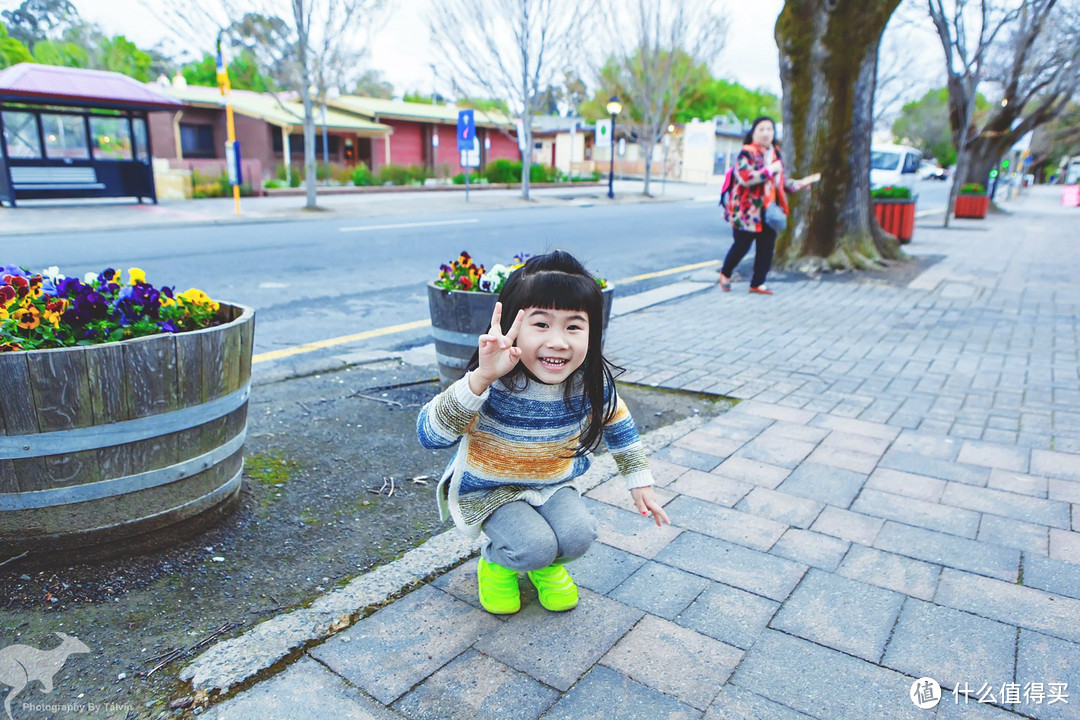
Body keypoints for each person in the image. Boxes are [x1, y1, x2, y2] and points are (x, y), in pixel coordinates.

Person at [417, 250, 670, 615]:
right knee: (533, 547)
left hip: (551, 482)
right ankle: (498, 561)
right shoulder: (494, 382)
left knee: (579, 537)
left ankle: (542, 564)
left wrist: (639, 481)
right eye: (541, 324)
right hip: (492, 490)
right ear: (512, 327)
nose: (558, 341)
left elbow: (619, 424)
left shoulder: (589, 381)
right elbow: (430, 436)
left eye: (573, 326)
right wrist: (480, 378)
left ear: (591, 331)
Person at [719, 116, 811, 295]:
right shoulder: (746, 153)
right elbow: (745, 178)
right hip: (746, 210)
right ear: (753, 133)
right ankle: (725, 273)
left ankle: (758, 283)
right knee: (741, 246)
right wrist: (769, 170)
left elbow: (778, 182)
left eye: (770, 129)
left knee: (766, 248)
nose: (766, 133)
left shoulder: (775, 154)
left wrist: (795, 184)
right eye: (761, 129)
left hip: (768, 209)